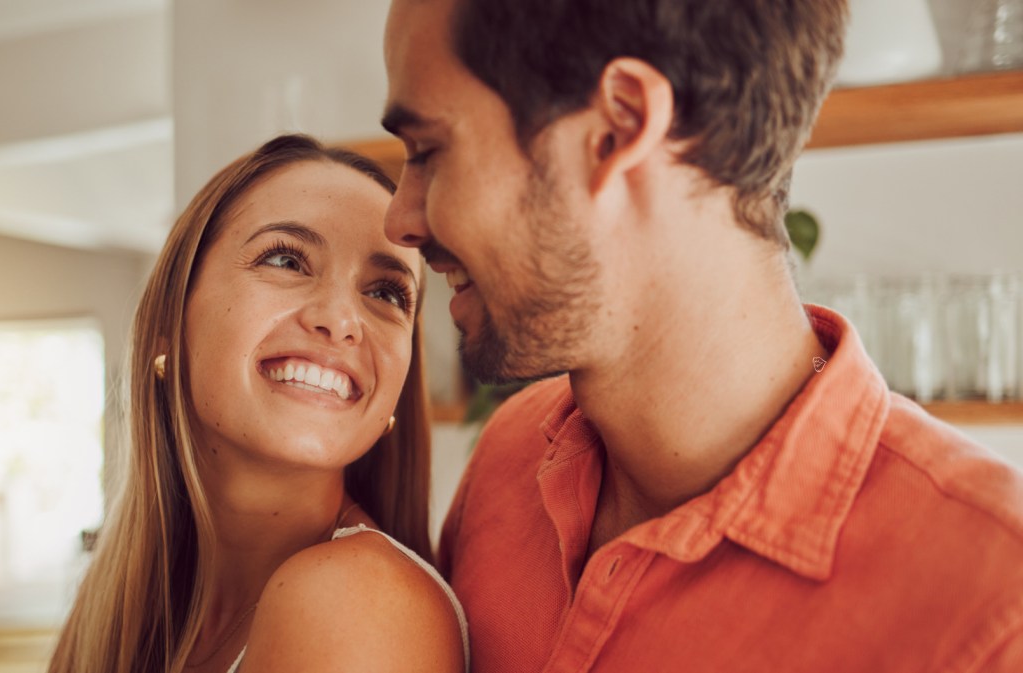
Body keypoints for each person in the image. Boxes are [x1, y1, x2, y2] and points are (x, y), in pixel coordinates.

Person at [379, 0, 1023, 671]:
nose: (400, 220)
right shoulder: (507, 462)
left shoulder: (994, 609)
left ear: (618, 126)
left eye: (428, 151)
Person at [48, 134, 467, 673]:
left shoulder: (354, 600)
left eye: (386, 293)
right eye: (287, 260)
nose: (340, 320)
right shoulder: (116, 606)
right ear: (169, 325)